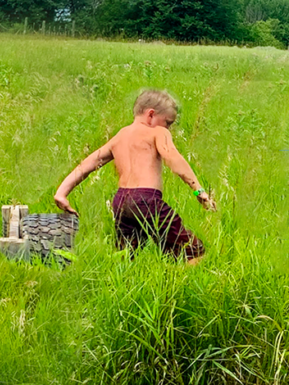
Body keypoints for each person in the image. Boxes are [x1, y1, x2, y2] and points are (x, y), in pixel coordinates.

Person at [54, 89, 216, 264]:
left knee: (128, 257)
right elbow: (172, 158)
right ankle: (182, 286)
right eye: (168, 122)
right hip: (147, 201)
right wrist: (198, 191)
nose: (168, 128)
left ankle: (123, 283)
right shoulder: (158, 132)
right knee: (192, 251)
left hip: (121, 202)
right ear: (151, 115)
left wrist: (61, 193)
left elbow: (87, 165)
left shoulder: (119, 136)